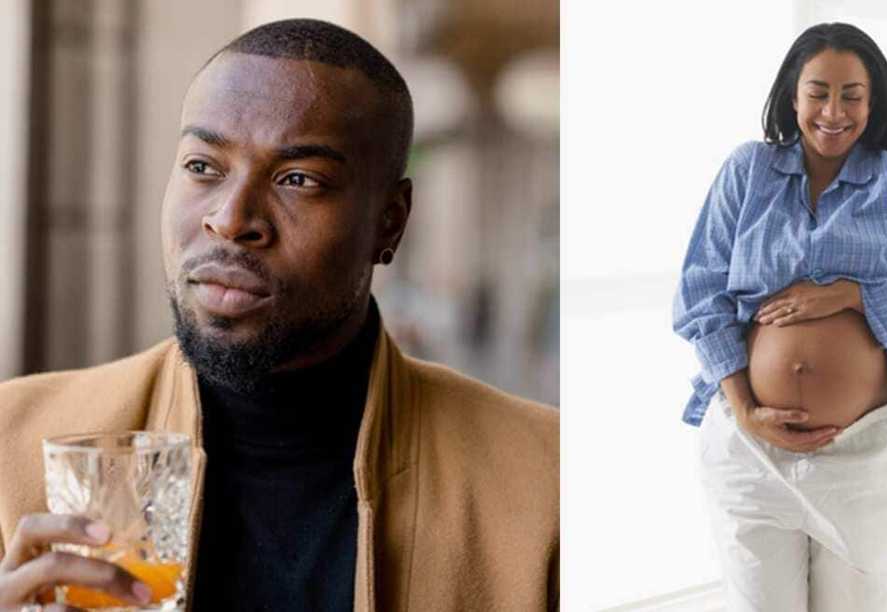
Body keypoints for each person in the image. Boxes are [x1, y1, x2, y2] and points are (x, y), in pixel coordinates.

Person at [0, 19, 558, 612]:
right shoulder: (14, 444)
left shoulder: (546, 481)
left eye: (298, 179)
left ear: (389, 222)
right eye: (202, 167)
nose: (232, 218)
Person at [672, 23, 887, 612]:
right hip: (750, 449)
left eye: (851, 95)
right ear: (793, 96)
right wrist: (746, 411)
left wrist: (853, 295)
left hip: (868, 457)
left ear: (873, 101)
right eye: (818, 92)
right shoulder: (748, 171)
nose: (833, 111)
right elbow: (700, 293)